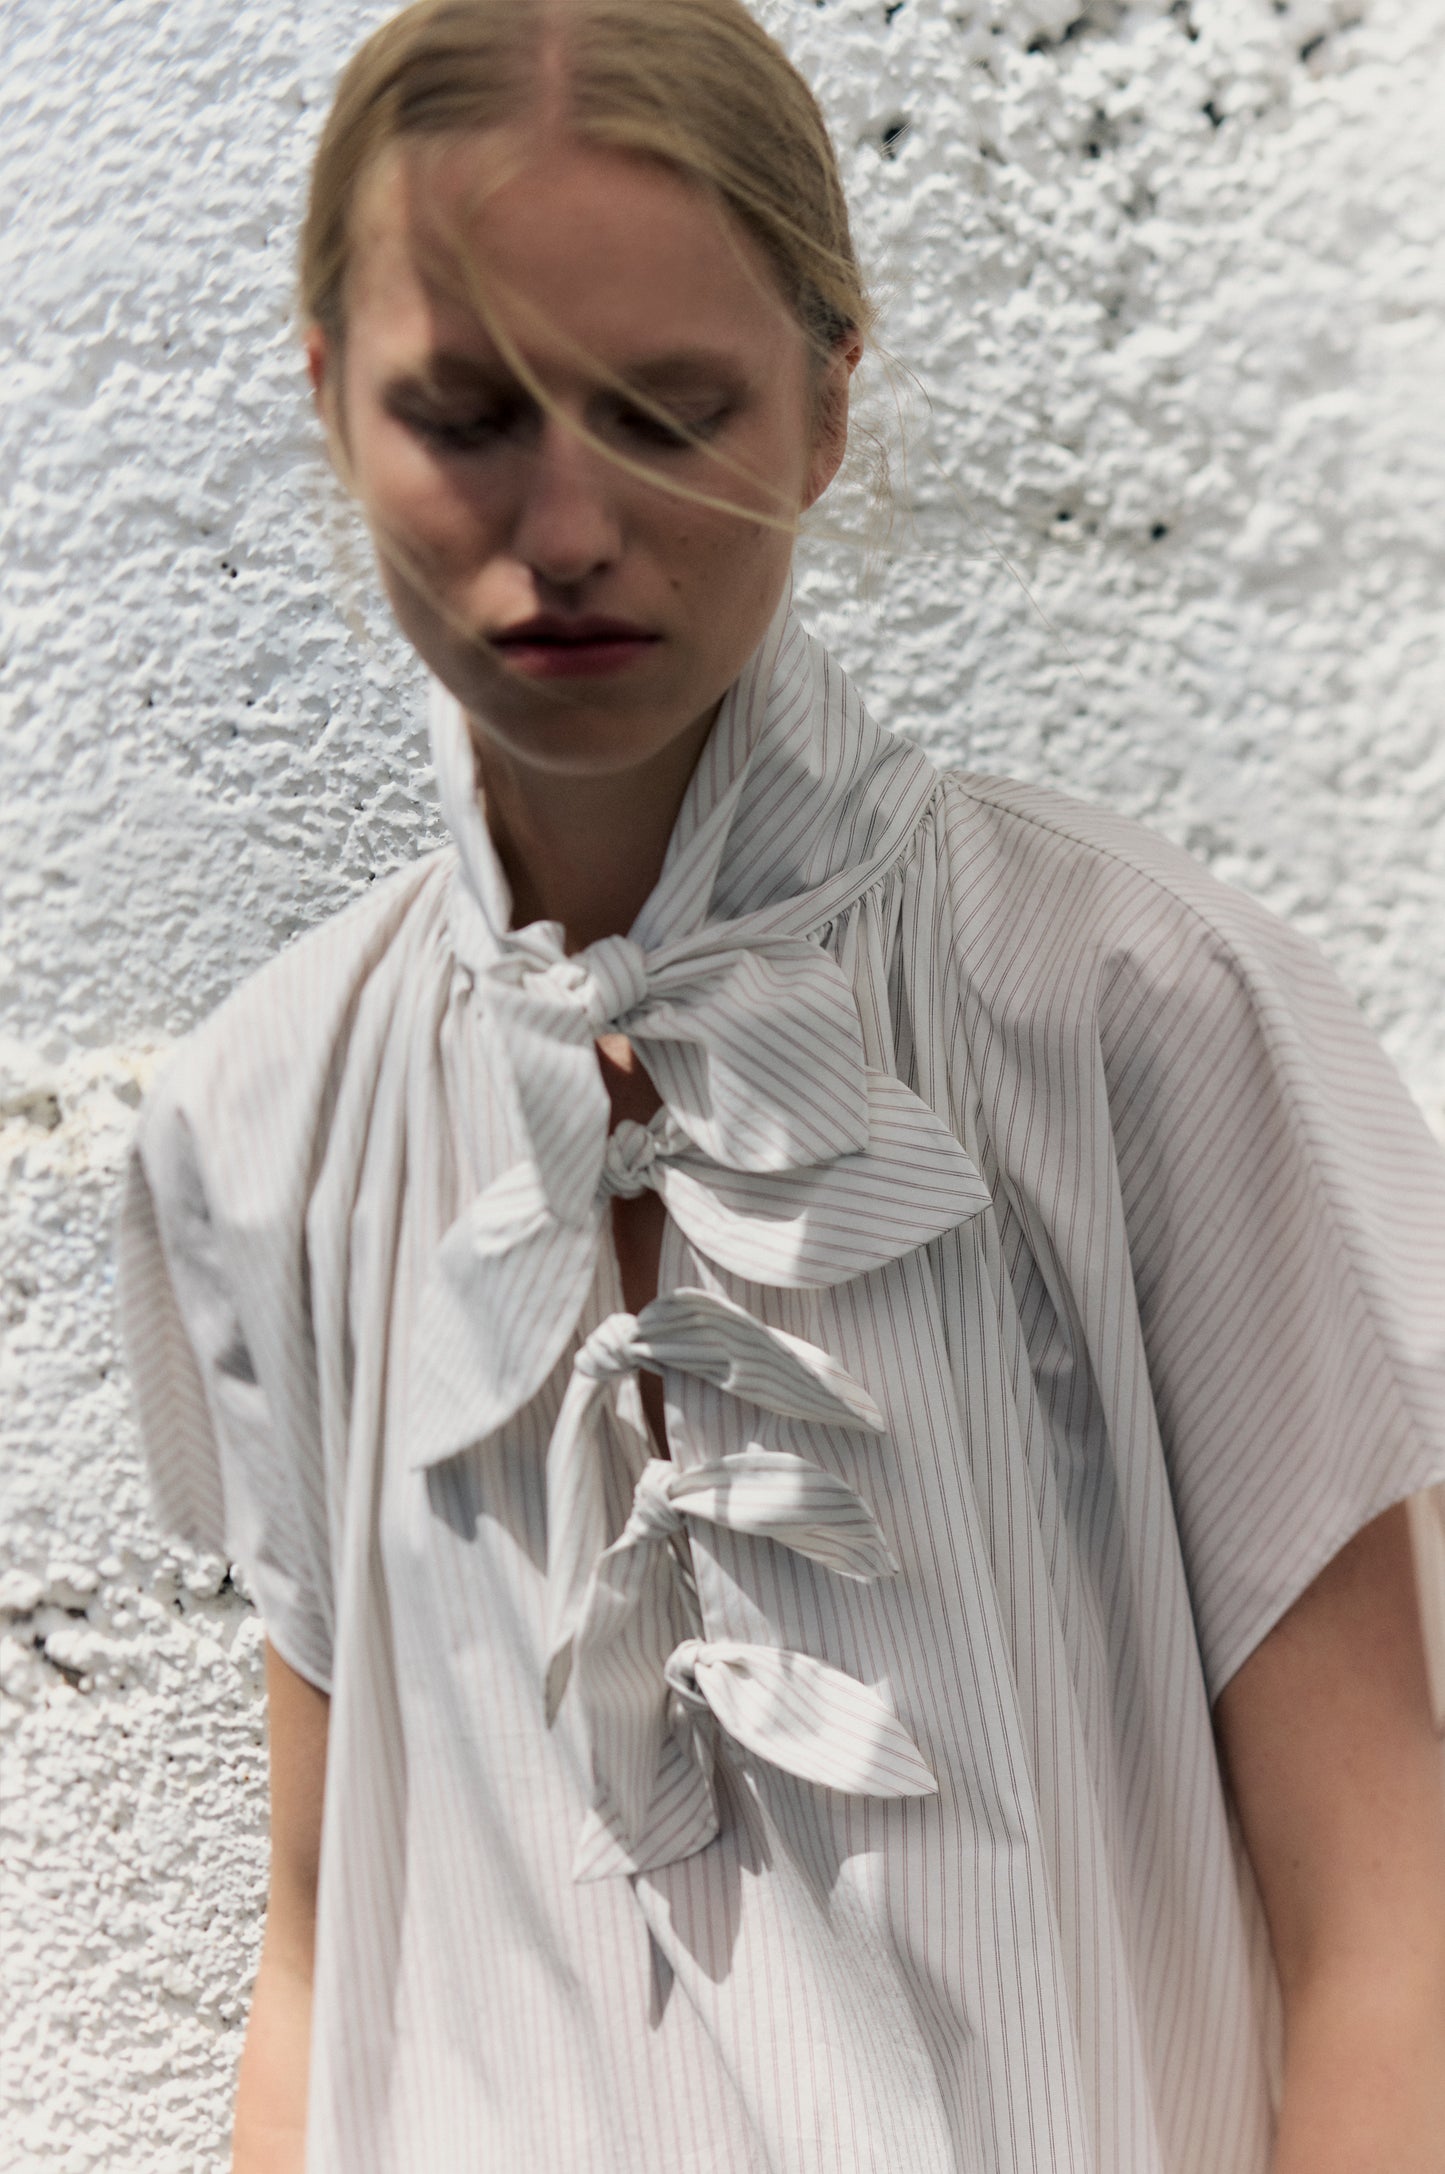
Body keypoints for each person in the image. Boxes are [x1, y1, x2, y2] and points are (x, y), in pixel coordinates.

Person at [116, 1, 1445, 2168]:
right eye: (466, 412)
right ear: (329, 399)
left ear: (829, 404)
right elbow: (318, 1944)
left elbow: (1388, 1916)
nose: (567, 525)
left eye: (669, 410)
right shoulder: (265, 1118)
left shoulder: (1136, 1013)